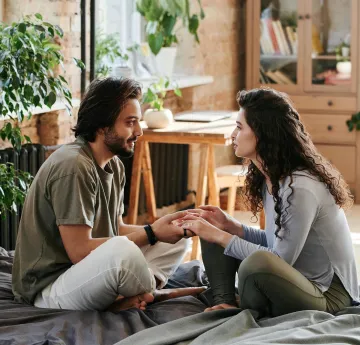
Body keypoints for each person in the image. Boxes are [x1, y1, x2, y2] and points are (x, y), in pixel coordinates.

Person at [12, 77, 203, 312]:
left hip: (85, 274)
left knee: (174, 240)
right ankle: (150, 293)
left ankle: (138, 295)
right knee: (123, 250)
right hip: (48, 288)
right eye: (130, 123)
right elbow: (80, 251)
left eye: (138, 122)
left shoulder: (114, 165)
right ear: (103, 126)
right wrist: (151, 232)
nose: (139, 132)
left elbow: (115, 228)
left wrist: (163, 228)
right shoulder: (73, 166)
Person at [179, 88, 359, 317]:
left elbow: (279, 260)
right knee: (213, 227)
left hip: (327, 295)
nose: (233, 134)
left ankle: (240, 304)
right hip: (295, 279)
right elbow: (278, 244)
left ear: (263, 133)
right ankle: (225, 302)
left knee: (253, 261)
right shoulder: (271, 177)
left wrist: (223, 237)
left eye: (240, 127)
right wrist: (230, 227)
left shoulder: (300, 187)